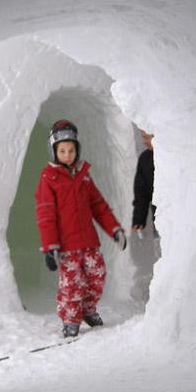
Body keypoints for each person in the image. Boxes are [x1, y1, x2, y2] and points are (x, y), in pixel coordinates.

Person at [34, 119, 127, 338]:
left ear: (77, 150)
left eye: (71, 150)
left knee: (97, 275)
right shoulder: (49, 178)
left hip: (89, 242)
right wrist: (50, 246)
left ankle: (87, 309)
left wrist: (114, 230)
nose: (68, 154)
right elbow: (45, 214)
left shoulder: (83, 176)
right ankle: (70, 319)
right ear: (54, 151)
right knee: (71, 285)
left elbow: (98, 206)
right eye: (63, 150)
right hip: (66, 246)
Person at [131, 129, 156, 234]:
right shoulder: (144, 159)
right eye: (143, 137)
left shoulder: (171, 156)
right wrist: (139, 218)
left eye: (147, 138)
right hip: (161, 217)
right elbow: (141, 192)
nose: (144, 141)